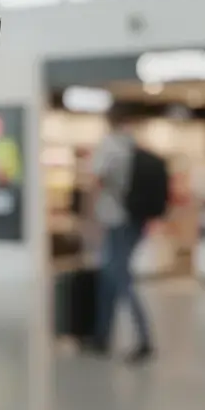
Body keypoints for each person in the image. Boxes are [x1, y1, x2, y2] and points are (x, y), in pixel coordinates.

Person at [90, 103, 154, 363]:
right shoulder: (133, 146)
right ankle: (101, 335)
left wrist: (90, 219)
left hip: (116, 220)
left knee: (120, 278)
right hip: (134, 220)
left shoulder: (109, 146)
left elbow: (97, 179)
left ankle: (144, 339)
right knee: (109, 276)